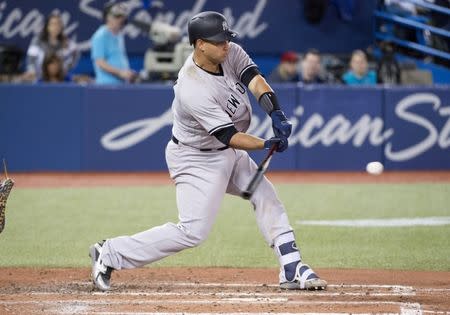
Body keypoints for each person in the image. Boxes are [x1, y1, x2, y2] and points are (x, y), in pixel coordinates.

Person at [89, 11, 327, 292]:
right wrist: (266, 143)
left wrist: (276, 112)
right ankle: (110, 252)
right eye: (219, 41)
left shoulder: (230, 52)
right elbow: (230, 136)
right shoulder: (191, 86)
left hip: (225, 151)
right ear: (200, 44)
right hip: (195, 158)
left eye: (227, 38)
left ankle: (291, 266)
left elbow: (255, 79)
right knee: (193, 232)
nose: (226, 44)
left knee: (264, 194)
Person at [24, 13, 79, 82]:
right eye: (53, 24)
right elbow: (31, 59)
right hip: (40, 77)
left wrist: (66, 69)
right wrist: (32, 71)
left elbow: (75, 54)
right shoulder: (38, 41)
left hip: (60, 78)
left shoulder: (67, 42)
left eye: (58, 24)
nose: (56, 27)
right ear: (47, 26)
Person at [91, 2, 136, 84]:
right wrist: (120, 72)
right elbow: (100, 63)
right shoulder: (100, 36)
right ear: (107, 17)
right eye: (117, 16)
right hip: (106, 86)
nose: (120, 19)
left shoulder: (119, 34)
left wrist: (127, 73)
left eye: (122, 16)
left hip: (121, 85)